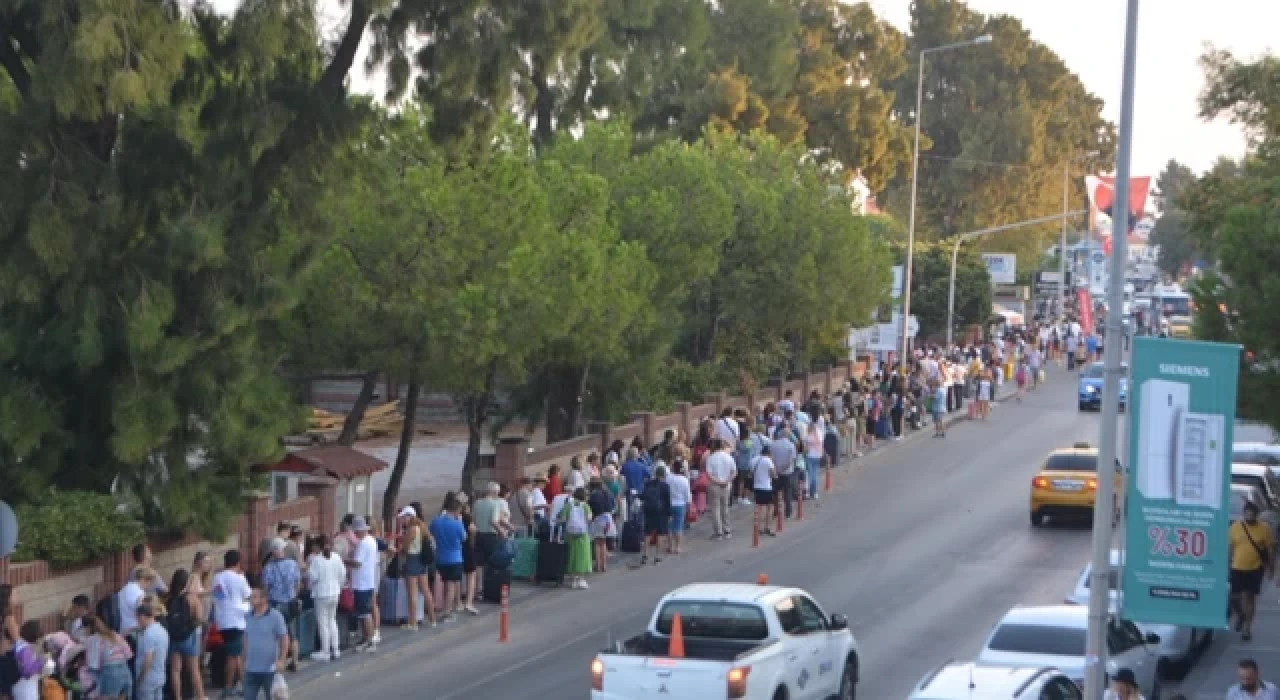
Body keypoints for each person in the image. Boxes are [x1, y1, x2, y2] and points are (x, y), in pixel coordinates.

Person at [1229, 502, 1275, 640]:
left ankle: (1247, 628)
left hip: (1255, 568)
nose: (1249, 516)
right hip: (1237, 567)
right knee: (1233, 597)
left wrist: (1270, 568)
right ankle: (1240, 614)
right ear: (1243, 514)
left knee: (1250, 598)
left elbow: (1270, 549)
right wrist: (1229, 561)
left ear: (1257, 515)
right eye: (1247, 513)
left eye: (1252, 514)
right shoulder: (1235, 527)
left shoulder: (1264, 529)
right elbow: (1231, 546)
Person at [212, 550, 251, 698]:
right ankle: (229, 686)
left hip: (222, 620)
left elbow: (218, 597)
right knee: (233, 655)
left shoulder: (217, 578)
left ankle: (242, 683)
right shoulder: (239, 578)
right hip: (237, 620)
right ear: (238, 562)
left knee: (235, 654)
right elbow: (248, 595)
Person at [164, 569, 206, 700]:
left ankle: (177, 697)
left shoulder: (168, 598)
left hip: (173, 637)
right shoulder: (191, 598)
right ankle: (200, 696)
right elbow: (199, 618)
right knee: (194, 669)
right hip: (188, 637)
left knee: (175, 670)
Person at [240, 588, 289, 700]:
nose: (251, 599)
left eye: (254, 597)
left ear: (264, 599)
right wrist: (243, 660)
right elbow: (246, 638)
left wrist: (282, 659)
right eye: (251, 597)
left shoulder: (275, 616)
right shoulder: (247, 616)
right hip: (251, 669)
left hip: (270, 670)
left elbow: (284, 638)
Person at [306, 534, 347, 661]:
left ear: (318, 546)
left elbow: (313, 578)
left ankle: (325, 650)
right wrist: (338, 586)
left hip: (322, 594)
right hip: (335, 592)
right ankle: (335, 648)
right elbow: (343, 574)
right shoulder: (336, 557)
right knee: (332, 620)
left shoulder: (316, 560)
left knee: (323, 623)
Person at [261, 538, 301, 670]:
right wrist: (294, 595)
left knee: (277, 635)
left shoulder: (268, 568)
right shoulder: (292, 564)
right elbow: (297, 583)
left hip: (275, 603)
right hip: (291, 601)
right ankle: (294, 661)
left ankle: (279, 661)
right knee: (292, 632)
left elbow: (265, 588)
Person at [397, 505, 437, 630]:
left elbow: (405, 547)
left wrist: (401, 544)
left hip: (413, 560)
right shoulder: (422, 527)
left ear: (409, 516)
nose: (402, 520)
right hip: (422, 560)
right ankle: (432, 619)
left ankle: (413, 623)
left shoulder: (412, 529)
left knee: (412, 593)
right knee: (426, 590)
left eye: (403, 517)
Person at [430, 495, 467, 621]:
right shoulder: (457, 524)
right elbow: (464, 538)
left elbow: (431, 533)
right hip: (455, 558)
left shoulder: (436, 521)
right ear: (456, 511)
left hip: (441, 557)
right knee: (451, 586)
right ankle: (447, 612)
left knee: (446, 583)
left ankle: (445, 608)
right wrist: (460, 522)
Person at [348, 516, 382, 650]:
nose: (355, 534)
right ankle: (365, 638)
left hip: (362, 583)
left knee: (365, 613)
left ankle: (370, 640)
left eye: (356, 531)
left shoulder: (363, 544)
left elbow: (357, 563)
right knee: (362, 613)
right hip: (366, 582)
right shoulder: (371, 541)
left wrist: (345, 561)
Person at [83, 614, 133, 700]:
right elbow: (129, 654)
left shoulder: (93, 639)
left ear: (88, 627)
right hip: (125, 671)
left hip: (110, 674)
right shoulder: (115, 635)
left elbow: (93, 664)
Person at [558, 487, 595, 589]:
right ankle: (581, 579)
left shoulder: (568, 505)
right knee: (583, 556)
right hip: (582, 534)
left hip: (570, 534)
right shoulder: (585, 506)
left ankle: (573, 579)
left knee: (572, 556)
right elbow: (589, 518)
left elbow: (563, 519)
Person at [134, 602, 169, 700]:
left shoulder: (149, 634)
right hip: (160, 675)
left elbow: (148, 660)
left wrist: (140, 678)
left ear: (142, 617)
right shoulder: (162, 630)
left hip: (148, 679)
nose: (137, 621)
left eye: (137, 618)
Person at [639, 466, 672, 566]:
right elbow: (667, 501)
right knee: (660, 534)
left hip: (649, 511)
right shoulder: (665, 486)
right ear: (664, 475)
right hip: (661, 512)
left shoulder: (648, 483)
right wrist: (669, 514)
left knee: (648, 533)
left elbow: (642, 496)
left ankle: (645, 555)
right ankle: (657, 557)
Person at [704, 439, 736, 540]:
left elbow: (709, 474)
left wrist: (718, 482)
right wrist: (726, 481)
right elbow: (734, 472)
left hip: (714, 485)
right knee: (725, 507)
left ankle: (718, 532)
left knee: (715, 509)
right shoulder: (728, 457)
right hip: (727, 485)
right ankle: (727, 530)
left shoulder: (711, 458)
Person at [586, 478, 615, 572]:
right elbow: (613, 504)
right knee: (604, 542)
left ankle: (598, 565)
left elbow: (591, 508)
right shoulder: (607, 493)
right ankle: (604, 565)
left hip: (598, 518)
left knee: (597, 543)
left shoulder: (593, 495)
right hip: (608, 518)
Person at [117, 567, 157, 635]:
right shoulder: (139, 593)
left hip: (122, 627)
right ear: (143, 579)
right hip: (134, 629)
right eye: (150, 582)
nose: (149, 585)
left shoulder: (125, 588)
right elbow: (144, 613)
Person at [666, 460, 692, 555]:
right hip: (680, 504)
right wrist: (689, 505)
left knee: (668, 526)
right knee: (678, 526)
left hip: (669, 504)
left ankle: (670, 546)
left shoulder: (668, 478)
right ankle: (678, 547)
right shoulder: (684, 480)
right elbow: (687, 495)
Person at [750, 445, 777, 537]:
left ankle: (759, 527)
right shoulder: (768, 460)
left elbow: (751, 471)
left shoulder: (754, 460)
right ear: (769, 453)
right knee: (770, 507)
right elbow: (773, 474)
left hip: (756, 486)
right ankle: (768, 527)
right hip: (766, 487)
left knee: (759, 507)